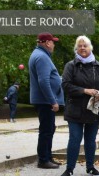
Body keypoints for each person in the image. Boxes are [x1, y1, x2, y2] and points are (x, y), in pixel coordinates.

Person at [60, 36, 99, 176]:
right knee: (75, 138)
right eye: (80, 46)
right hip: (75, 109)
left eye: (85, 45)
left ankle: (90, 167)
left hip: (93, 109)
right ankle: (69, 169)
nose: (82, 48)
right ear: (76, 49)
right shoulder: (71, 66)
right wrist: (84, 91)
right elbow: (66, 85)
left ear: (90, 48)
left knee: (91, 139)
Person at [29, 32, 65, 169]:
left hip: (43, 100)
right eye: (53, 42)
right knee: (46, 130)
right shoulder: (42, 57)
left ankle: (48, 157)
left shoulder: (39, 55)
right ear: (47, 43)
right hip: (45, 101)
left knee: (49, 128)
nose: (54, 45)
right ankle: (43, 159)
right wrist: (53, 101)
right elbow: (43, 81)